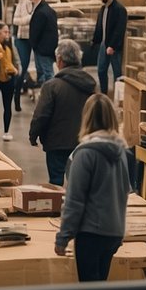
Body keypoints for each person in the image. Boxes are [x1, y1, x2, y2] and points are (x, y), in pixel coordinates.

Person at [55, 94, 131, 281]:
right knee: (97, 289)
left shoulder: (85, 153)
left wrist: (63, 237)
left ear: (86, 117)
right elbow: (125, 191)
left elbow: (75, 200)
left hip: (91, 234)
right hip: (113, 232)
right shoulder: (121, 151)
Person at [29, 39, 97, 184]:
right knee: (79, 182)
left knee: (56, 181)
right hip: (83, 141)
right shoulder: (91, 84)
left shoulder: (51, 86)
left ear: (59, 60)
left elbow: (41, 115)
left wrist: (33, 135)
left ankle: (57, 206)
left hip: (56, 143)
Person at [13, 0, 57, 90]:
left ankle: (51, 96)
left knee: (48, 74)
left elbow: (42, 31)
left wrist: (34, 44)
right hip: (37, 47)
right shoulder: (33, 6)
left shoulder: (42, 10)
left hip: (43, 48)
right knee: (41, 73)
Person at [92, 0, 128, 95]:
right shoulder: (103, 9)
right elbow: (100, 26)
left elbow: (119, 30)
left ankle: (119, 98)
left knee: (117, 73)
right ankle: (104, 94)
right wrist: (95, 41)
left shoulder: (119, 9)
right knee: (101, 70)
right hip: (104, 44)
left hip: (114, 47)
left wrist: (112, 46)